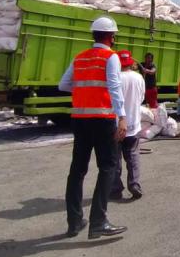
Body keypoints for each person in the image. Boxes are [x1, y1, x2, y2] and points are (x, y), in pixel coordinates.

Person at [58, 16, 127, 239]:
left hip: (80, 119)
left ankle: (74, 221)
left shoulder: (80, 57)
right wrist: (122, 118)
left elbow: (64, 84)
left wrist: (84, 93)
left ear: (93, 35)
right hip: (102, 118)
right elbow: (115, 88)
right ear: (111, 37)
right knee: (107, 166)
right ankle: (98, 221)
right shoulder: (111, 57)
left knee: (77, 170)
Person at [110, 50, 145, 201]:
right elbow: (141, 98)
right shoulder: (139, 78)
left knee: (115, 158)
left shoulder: (113, 77)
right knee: (133, 156)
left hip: (116, 124)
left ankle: (116, 189)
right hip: (134, 124)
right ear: (131, 63)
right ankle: (134, 184)